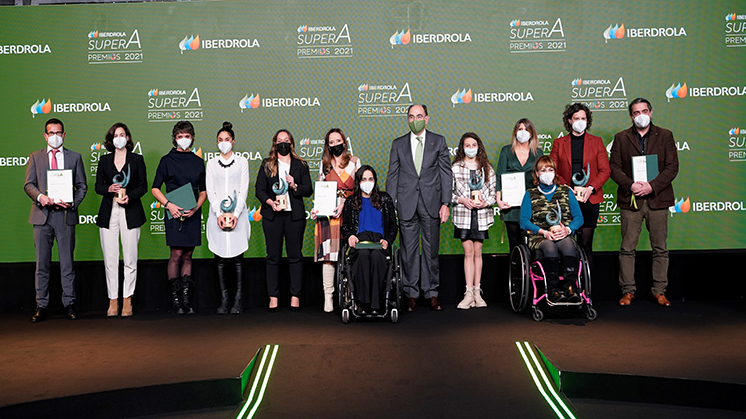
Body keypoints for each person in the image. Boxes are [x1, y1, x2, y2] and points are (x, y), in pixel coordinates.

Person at [610, 98, 679, 307]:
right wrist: (631, 185)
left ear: (651, 112)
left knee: (660, 248)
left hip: (658, 199)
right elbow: (614, 167)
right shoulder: (621, 137)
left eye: (644, 111)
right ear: (631, 116)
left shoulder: (665, 135)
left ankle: (659, 291)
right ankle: (628, 291)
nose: (640, 115)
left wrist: (652, 186)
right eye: (636, 112)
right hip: (631, 200)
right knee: (627, 248)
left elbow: (672, 167)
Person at [386, 104, 451, 312]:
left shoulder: (438, 141)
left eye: (419, 116)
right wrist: (390, 205)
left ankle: (431, 293)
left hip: (431, 204)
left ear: (427, 118)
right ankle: (411, 294)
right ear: (407, 119)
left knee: (431, 251)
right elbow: (392, 175)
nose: (415, 119)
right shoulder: (398, 144)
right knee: (409, 252)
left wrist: (445, 203)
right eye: (411, 116)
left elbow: (445, 174)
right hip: (406, 205)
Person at [24, 118, 87, 322]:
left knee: (67, 263)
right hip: (41, 216)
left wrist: (72, 203)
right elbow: (29, 185)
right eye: (51, 133)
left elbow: (82, 186)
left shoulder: (75, 157)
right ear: (45, 135)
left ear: (64, 135)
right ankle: (41, 305)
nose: (55, 137)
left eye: (58, 133)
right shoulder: (35, 157)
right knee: (42, 263)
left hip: (65, 216)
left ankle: (69, 303)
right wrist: (41, 197)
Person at [151, 121, 207, 315]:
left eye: (187, 136)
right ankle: (175, 300)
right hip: (173, 212)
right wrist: (169, 205)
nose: (184, 139)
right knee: (175, 255)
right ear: (175, 138)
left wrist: (196, 208)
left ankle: (186, 299)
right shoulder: (166, 160)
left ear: (192, 138)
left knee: (188, 255)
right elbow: (155, 188)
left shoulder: (198, 161)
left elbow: (203, 191)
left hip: (192, 213)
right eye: (180, 136)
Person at [255, 129, 313, 311]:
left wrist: (294, 185)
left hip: (294, 216)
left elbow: (308, 189)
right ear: (274, 144)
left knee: (295, 256)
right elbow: (259, 190)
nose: (283, 143)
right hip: (273, 216)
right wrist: (270, 202)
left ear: (291, 143)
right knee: (273, 257)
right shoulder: (267, 164)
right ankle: (273, 297)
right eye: (279, 140)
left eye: (286, 140)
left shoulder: (301, 165)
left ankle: (295, 296)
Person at [95, 123, 147, 317]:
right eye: (116, 135)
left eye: (122, 134)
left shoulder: (137, 159)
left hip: (130, 211)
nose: (119, 137)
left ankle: (127, 299)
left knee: (130, 258)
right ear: (110, 139)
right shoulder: (104, 160)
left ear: (128, 138)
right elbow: (98, 186)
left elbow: (143, 186)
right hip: (109, 213)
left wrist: (130, 197)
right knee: (110, 259)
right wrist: (108, 189)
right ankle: (113, 300)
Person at [550, 103, 610, 271]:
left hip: (589, 200)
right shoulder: (559, 143)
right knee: (565, 244)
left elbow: (605, 170)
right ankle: (568, 285)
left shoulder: (597, 142)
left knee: (586, 245)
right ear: (569, 121)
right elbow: (551, 169)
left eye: (583, 118)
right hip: (565, 199)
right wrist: (566, 188)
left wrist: (591, 188)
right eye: (576, 118)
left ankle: (586, 289)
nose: (580, 121)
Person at [520, 156, 584, 303]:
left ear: (555, 172)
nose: (547, 173)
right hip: (540, 236)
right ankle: (553, 289)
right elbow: (523, 222)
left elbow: (579, 218)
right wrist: (544, 232)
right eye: (543, 170)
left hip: (563, 234)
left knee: (568, 244)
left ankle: (570, 287)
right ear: (536, 173)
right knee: (549, 247)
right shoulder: (530, 194)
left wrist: (568, 230)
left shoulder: (565, 192)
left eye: (550, 169)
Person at [311, 128, 360, 312]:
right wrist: (317, 209)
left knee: (350, 256)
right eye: (331, 142)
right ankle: (328, 298)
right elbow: (321, 189)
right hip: (328, 215)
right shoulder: (324, 164)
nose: (335, 145)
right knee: (329, 258)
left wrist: (345, 205)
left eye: (337, 141)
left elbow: (360, 189)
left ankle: (350, 295)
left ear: (344, 142)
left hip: (349, 213)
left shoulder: (355, 162)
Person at [206, 122, 250, 314]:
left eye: (227, 140)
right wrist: (218, 213)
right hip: (216, 217)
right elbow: (210, 190)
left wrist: (235, 213)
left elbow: (243, 189)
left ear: (233, 141)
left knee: (238, 258)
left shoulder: (242, 162)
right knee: (221, 259)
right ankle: (224, 300)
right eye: (220, 140)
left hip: (237, 216)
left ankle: (238, 300)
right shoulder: (211, 163)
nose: (224, 143)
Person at [341, 165, 398, 314]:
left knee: (378, 257)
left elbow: (393, 226)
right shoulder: (350, 201)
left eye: (370, 179)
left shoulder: (385, 199)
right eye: (364, 179)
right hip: (360, 243)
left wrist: (388, 240)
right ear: (358, 182)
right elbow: (345, 226)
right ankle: (362, 303)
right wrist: (350, 236)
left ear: (375, 181)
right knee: (364, 256)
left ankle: (376, 304)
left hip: (379, 242)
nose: (367, 182)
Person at [451, 133, 496, 309]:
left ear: (479, 146)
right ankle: (468, 293)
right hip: (463, 214)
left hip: (482, 215)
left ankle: (478, 292)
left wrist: (487, 202)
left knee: (478, 252)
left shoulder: (487, 168)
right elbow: (448, 193)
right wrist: (462, 200)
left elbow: (494, 193)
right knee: (468, 252)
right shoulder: (455, 168)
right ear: (462, 147)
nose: (471, 148)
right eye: (467, 145)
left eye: (474, 144)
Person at [495, 118, 544, 253]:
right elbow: (499, 175)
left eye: (526, 129)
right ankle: (515, 272)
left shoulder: (538, 153)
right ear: (515, 132)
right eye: (520, 129)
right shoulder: (506, 151)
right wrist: (498, 200)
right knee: (514, 244)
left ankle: (532, 273)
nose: (523, 132)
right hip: (511, 206)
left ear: (532, 133)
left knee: (534, 244)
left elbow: (543, 177)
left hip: (533, 203)